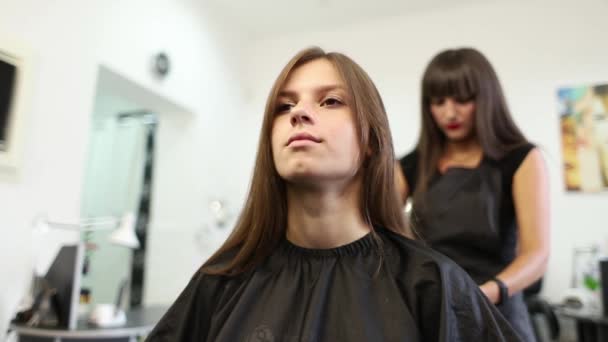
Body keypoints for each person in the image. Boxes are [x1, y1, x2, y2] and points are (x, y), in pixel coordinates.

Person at [146, 47, 522, 342]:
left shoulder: (431, 284)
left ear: (372, 141)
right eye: (285, 105)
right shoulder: (221, 281)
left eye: (330, 101)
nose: (300, 114)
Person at [395, 47, 550, 341]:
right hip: (436, 312)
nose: (449, 112)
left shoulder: (521, 159)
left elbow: (537, 255)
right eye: (438, 102)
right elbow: (378, 227)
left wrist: (485, 293)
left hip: (499, 311)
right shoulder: (409, 166)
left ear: (486, 98)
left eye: (462, 100)